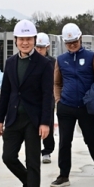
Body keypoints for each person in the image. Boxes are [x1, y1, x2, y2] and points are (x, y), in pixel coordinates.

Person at [0, 20, 54, 187]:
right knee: (8, 156)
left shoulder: (44, 64)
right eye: (22, 39)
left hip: (33, 120)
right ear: (16, 40)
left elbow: (48, 95)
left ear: (34, 40)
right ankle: (27, 182)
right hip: (13, 118)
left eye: (29, 39)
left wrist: (46, 123)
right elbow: (6, 92)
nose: (25, 43)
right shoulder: (10, 63)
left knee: (32, 161)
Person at [50, 23, 94, 187]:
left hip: (86, 107)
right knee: (64, 141)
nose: (72, 45)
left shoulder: (92, 57)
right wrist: (58, 100)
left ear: (80, 38)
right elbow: (56, 83)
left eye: (75, 41)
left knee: (90, 138)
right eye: (69, 43)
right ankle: (64, 175)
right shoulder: (61, 60)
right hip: (66, 107)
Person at [35, 33, 56, 164]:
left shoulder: (53, 62)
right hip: (33, 98)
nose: (39, 50)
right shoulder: (31, 61)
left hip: (48, 97)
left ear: (47, 47)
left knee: (47, 124)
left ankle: (47, 151)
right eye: (37, 47)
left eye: (42, 47)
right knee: (33, 126)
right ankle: (34, 151)